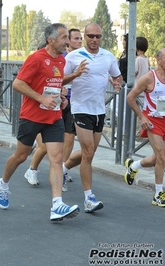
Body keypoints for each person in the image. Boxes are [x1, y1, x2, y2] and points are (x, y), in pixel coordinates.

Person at [0, 23, 80, 222]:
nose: (67, 41)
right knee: (21, 156)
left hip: (53, 117)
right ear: (51, 40)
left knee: (56, 159)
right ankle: (3, 184)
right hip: (31, 117)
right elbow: (18, 83)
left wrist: (61, 96)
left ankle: (57, 204)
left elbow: (52, 83)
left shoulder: (60, 61)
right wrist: (41, 99)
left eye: (68, 37)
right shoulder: (36, 58)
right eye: (64, 37)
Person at [62, 23, 122, 213]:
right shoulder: (72, 57)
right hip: (80, 109)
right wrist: (76, 74)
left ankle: (63, 169)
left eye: (98, 36)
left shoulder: (108, 56)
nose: (94, 39)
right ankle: (89, 198)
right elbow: (59, 80)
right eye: (90, 36)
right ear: (84, 36)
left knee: (91, 152)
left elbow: (118, 77)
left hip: (99, 110)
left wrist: (116, 83)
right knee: (87, 152)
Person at [25, 28, 83, 191]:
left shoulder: (82, 57)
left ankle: (61, 171)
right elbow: (35, 81)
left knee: (69, 138)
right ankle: (32, 169)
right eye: (75, 38)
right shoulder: (53, 55)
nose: (79, 41)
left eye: (81, 38)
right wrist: (56, 89)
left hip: (68, 101)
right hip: (42, 105)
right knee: (43, 146)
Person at [125, 48, 165, 207]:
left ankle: (133, 166)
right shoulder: (149, 78)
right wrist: (142, 117)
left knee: (159, 159)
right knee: (161, 157)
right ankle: (158, 194)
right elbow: (130, 97)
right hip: (153, 121)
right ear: (158, 60)